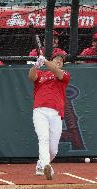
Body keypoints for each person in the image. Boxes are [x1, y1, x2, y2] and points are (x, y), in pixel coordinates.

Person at [28, 51, 70, 180]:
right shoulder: (41, 74)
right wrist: (36, 65)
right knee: (43, 138)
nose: (59, 61)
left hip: (56, 114)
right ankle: (47, 165)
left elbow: (57, 72)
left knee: (53, 150)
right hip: (40, 111)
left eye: (61, 60)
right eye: (56, 59)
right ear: (52, 60)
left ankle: (41, 163)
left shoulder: (65, 74)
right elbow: (31, 77)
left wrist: (45, 61)